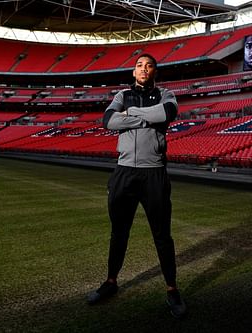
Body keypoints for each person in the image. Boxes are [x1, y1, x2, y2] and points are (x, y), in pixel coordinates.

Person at [87, 53, 186, 318]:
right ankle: (111, 282)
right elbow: (108, 121)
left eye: (149, 65)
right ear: (133, 72)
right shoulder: (121, 95)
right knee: (119, 232)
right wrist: (148, 118)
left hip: (154, 174)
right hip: (124, 173)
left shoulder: (166, 94)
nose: (144, 69)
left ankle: (172, 289)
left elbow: (167, 113)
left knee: (162, 235)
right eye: (139, 66)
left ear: (155, 71)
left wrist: (130, 115)